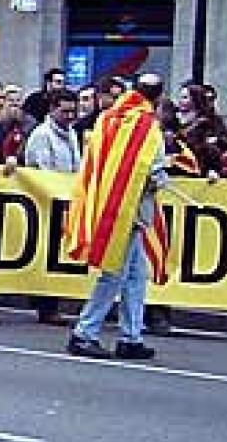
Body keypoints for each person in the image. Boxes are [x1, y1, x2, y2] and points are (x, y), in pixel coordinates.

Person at [66, 73, 169, 361]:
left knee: (135, 275)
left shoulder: (110, 118)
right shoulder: (147, 126)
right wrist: (161, 177)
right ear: (158, 97)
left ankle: (131, 335)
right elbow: (150, 171)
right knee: (115, 273)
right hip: (130, 209)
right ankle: (85, 332)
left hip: (110, 203)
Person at [22, 91, 81, 326]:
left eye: (72, 112)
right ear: (52, 110)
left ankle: (51, 302)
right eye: (64, 111)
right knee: (47, 254)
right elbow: (44, 171)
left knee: (59, 255)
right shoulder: (41, 135)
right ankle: (46, 305)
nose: (69, 116)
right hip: (45, 202)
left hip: (67, 202)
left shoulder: (72, 134)